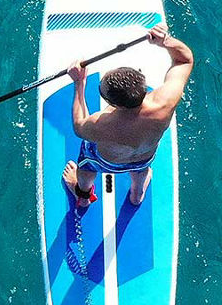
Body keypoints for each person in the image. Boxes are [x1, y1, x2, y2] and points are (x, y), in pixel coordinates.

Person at [62, 23, 194, 210]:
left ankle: (83, 196)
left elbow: (79, 126)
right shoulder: (166, 101)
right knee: (141, 170)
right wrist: (165, 41)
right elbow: (184, 61)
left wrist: (79, 83)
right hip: (144, 157)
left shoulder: (102, 125)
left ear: (115, 105)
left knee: (86, 167)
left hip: (105, 160)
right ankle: (136, 195)